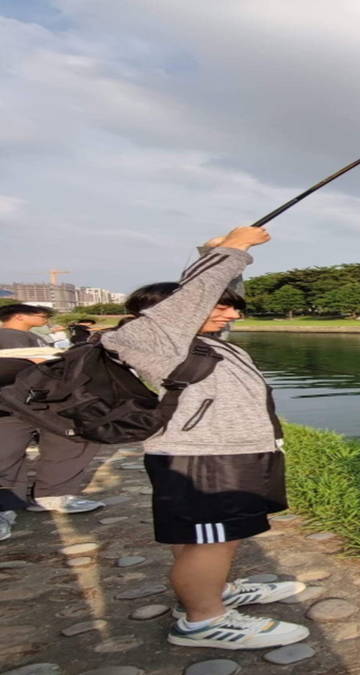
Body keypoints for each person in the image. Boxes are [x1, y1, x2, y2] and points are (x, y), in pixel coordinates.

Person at [101, 226, 308, 650]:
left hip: (223, 454)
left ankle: (209, 593)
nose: (233, 315)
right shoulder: (153, 341)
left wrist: (209, 255)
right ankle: (203, 621)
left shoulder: (203, 342)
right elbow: (193, 297)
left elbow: (201, 294)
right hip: (205, 459)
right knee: (212, 540)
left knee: (202, 539)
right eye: (222, 308)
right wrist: (234, 249)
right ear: (171, 313)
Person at [0, 304, 105, 541]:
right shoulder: (10, 336)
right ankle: (47, 495)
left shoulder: (34, 336)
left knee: (66, 440)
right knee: (8, 451)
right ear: (18, 316)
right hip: (20, 401)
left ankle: (34, 498)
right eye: (40, 314)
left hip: (39, 401)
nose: (44, 318)